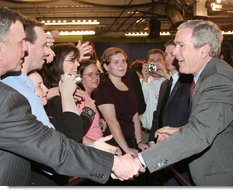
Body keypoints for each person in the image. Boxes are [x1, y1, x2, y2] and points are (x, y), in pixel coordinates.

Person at [0, 7, 144, 186]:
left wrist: (90, 148)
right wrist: (112, 163)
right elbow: (52, 144)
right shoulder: (6, 98)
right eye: (21, 42)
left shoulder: (14, 90)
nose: (25, 49)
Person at [139, 19, 233, 186]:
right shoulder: (209, 76)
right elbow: (215, 124)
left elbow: (199, 133)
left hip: (226, 178)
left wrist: (141, 161)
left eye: (181, 45)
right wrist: (180, 131)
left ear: (203, 51)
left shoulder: (218, 81)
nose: (175, 52)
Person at [148, 40, 193, 185]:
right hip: (162, 148)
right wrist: (151, 140)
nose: (169, 57)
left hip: (181, 151)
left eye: (172, 53)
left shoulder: (189, 83)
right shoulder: (165, 84)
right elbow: (158, 114)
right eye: (166, 54)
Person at [94, 47, 148, 157]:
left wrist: (139, 142)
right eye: (116, 62)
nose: (122, 65)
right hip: (115, 144)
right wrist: (126, 149)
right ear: (106, 66)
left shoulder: (128, 84)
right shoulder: (104, 87)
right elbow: (112, 121)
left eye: (123, 61)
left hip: (131, 141)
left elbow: (135, 116)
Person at [139, 49, 168, 141]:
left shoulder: (170, 82)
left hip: (165, 134)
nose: (155, 63)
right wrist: (145, 79)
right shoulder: (142, 82)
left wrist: (165, 74)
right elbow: (141, 104)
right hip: (145, 133)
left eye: (158, 60)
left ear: (164, 62)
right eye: (152, 61)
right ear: (147, 63)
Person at [77, 59, 104, 144]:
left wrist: (97, 122)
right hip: (90, 150)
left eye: (97, 73)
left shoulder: (86, 96)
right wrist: (100, 147)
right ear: (80, 78)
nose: (95, 77)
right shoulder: (80, 98)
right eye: (90, 74)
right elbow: (76, 134)